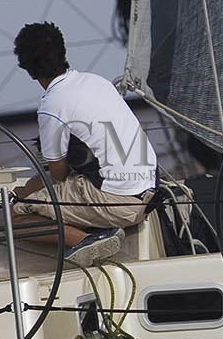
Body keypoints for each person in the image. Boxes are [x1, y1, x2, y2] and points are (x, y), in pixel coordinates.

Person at [11, 21, 157, 266]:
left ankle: (85, 239)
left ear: (27, 67)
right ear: (62, 51)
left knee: (14, 217)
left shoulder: (52, 104)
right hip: (147, 189)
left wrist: (25, 192)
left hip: (118, 202)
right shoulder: (96, 81)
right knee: (37, 187)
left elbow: (57, 173)